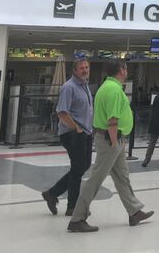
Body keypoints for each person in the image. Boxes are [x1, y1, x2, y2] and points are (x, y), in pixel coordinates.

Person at [67, 60, 153, 232]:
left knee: (122, 177)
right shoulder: (114, 90)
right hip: (111, 140)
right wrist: (114, 142)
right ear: (121, 70)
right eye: (126, 69)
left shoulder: (106, 86)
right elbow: (112, 120)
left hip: (114, 140)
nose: (127, 71)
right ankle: (77, 218)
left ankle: (134, 211)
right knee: (96, 179)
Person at [42, 58, 93, 217]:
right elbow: (62, 112)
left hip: (85, 132)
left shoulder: (85, 86)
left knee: (83, 166)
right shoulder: (69, 87)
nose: (85, 70)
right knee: (78, 168)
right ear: (74, 71)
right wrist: (76, 128)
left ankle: (52, 193)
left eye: (86, 67)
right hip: (73, 133)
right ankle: (72, 206)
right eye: (81, 68)